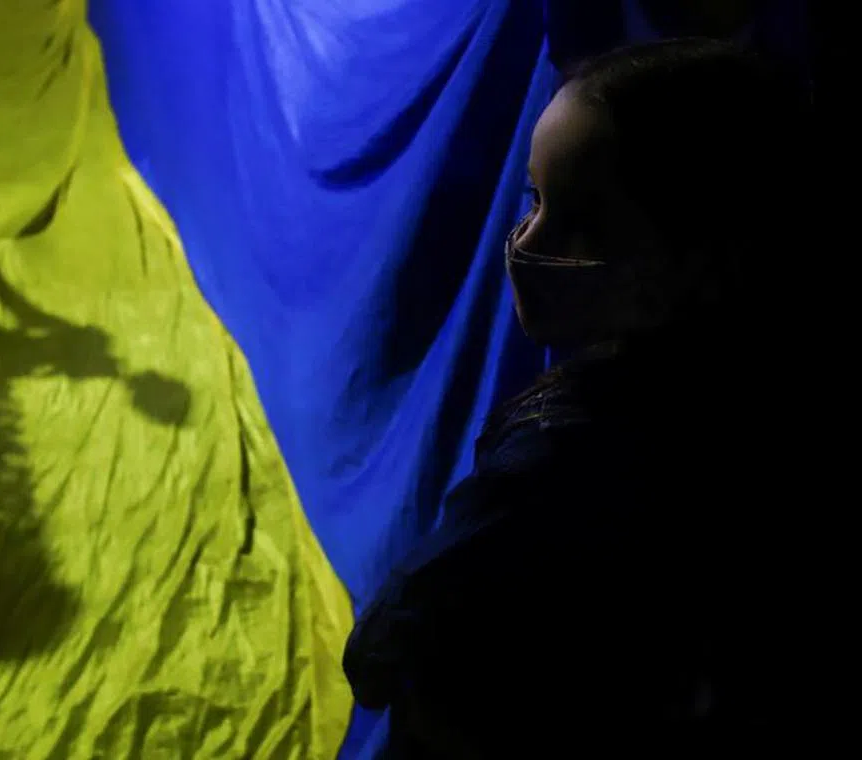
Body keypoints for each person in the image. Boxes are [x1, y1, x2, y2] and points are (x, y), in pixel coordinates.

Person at [344, 38, 818, 755]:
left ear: (698, 258)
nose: (527, 240)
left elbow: (393, 633)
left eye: (581, 222)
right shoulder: (752, 397)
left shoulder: (556, 450)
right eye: (534, 199)